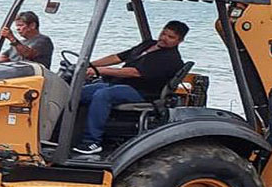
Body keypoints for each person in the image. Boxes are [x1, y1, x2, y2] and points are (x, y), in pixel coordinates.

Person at [71, 20, 189, 155]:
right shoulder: (148, 44)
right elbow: (117, 57)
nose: (164, 38)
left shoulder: (171, 59)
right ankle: (67, 134)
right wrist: (88, 65)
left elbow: (134, 72)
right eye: (163, 33)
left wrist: (100, 70)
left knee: (104, 95)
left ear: (180, 40)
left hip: (141, 92)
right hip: (119, 84)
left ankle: (92, 141)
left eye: (170, 37)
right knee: (79, 93)